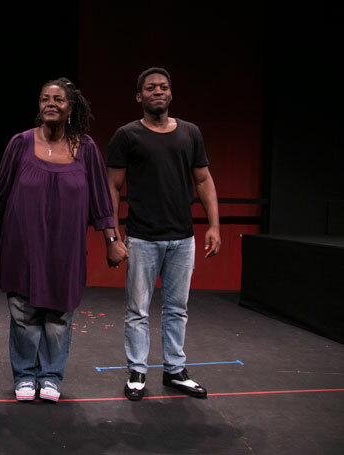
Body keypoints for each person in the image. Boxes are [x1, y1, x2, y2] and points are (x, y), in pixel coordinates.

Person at [0, 78, 127, 402]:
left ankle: (51, 376)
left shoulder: (87, 148)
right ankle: (25, 375)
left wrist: (112, 239)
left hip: (64, 249)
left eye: (58, 99)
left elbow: (100, 200)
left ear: (71, 108)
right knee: (23, 313)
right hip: (23, 246)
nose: (51, 103)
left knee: (59, 316)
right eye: (45, 99)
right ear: (39, 106)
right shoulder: (20, 143)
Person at [107, 67, 221, 401]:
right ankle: (137, 371)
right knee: (138, 310)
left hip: (182, 237)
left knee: (177, 308)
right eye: (151, 87)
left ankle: (174, 370)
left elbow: (203, 180)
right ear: (139, 96)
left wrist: (214, 224)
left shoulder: (190, 133)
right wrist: (112, 235)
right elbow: (112, 187)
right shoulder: (127, 136)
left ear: (171, 94)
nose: (158, 91)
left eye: (164, 86)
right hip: (142, 237)